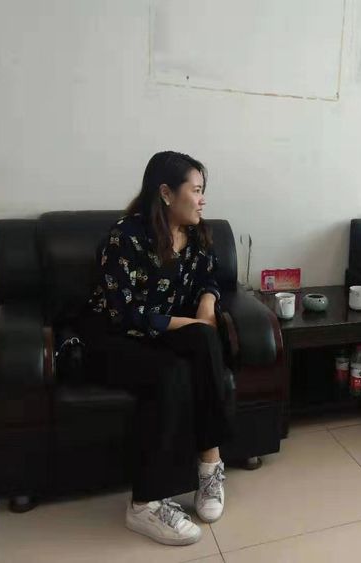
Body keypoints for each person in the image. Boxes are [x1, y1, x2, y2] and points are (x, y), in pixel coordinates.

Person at [79, 151, 231, 546]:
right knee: (171, 371)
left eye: (203, 190)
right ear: (166, 193)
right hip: (113, 338)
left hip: (159, 333)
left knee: (206, 338)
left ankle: (209, 467)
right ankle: (144, 505)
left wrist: (207, 304)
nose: (202, 200)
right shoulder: (125, 237)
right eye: (195, 190)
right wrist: (190, 324)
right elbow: (126, 314)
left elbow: (211, 275)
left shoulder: (195, 234)